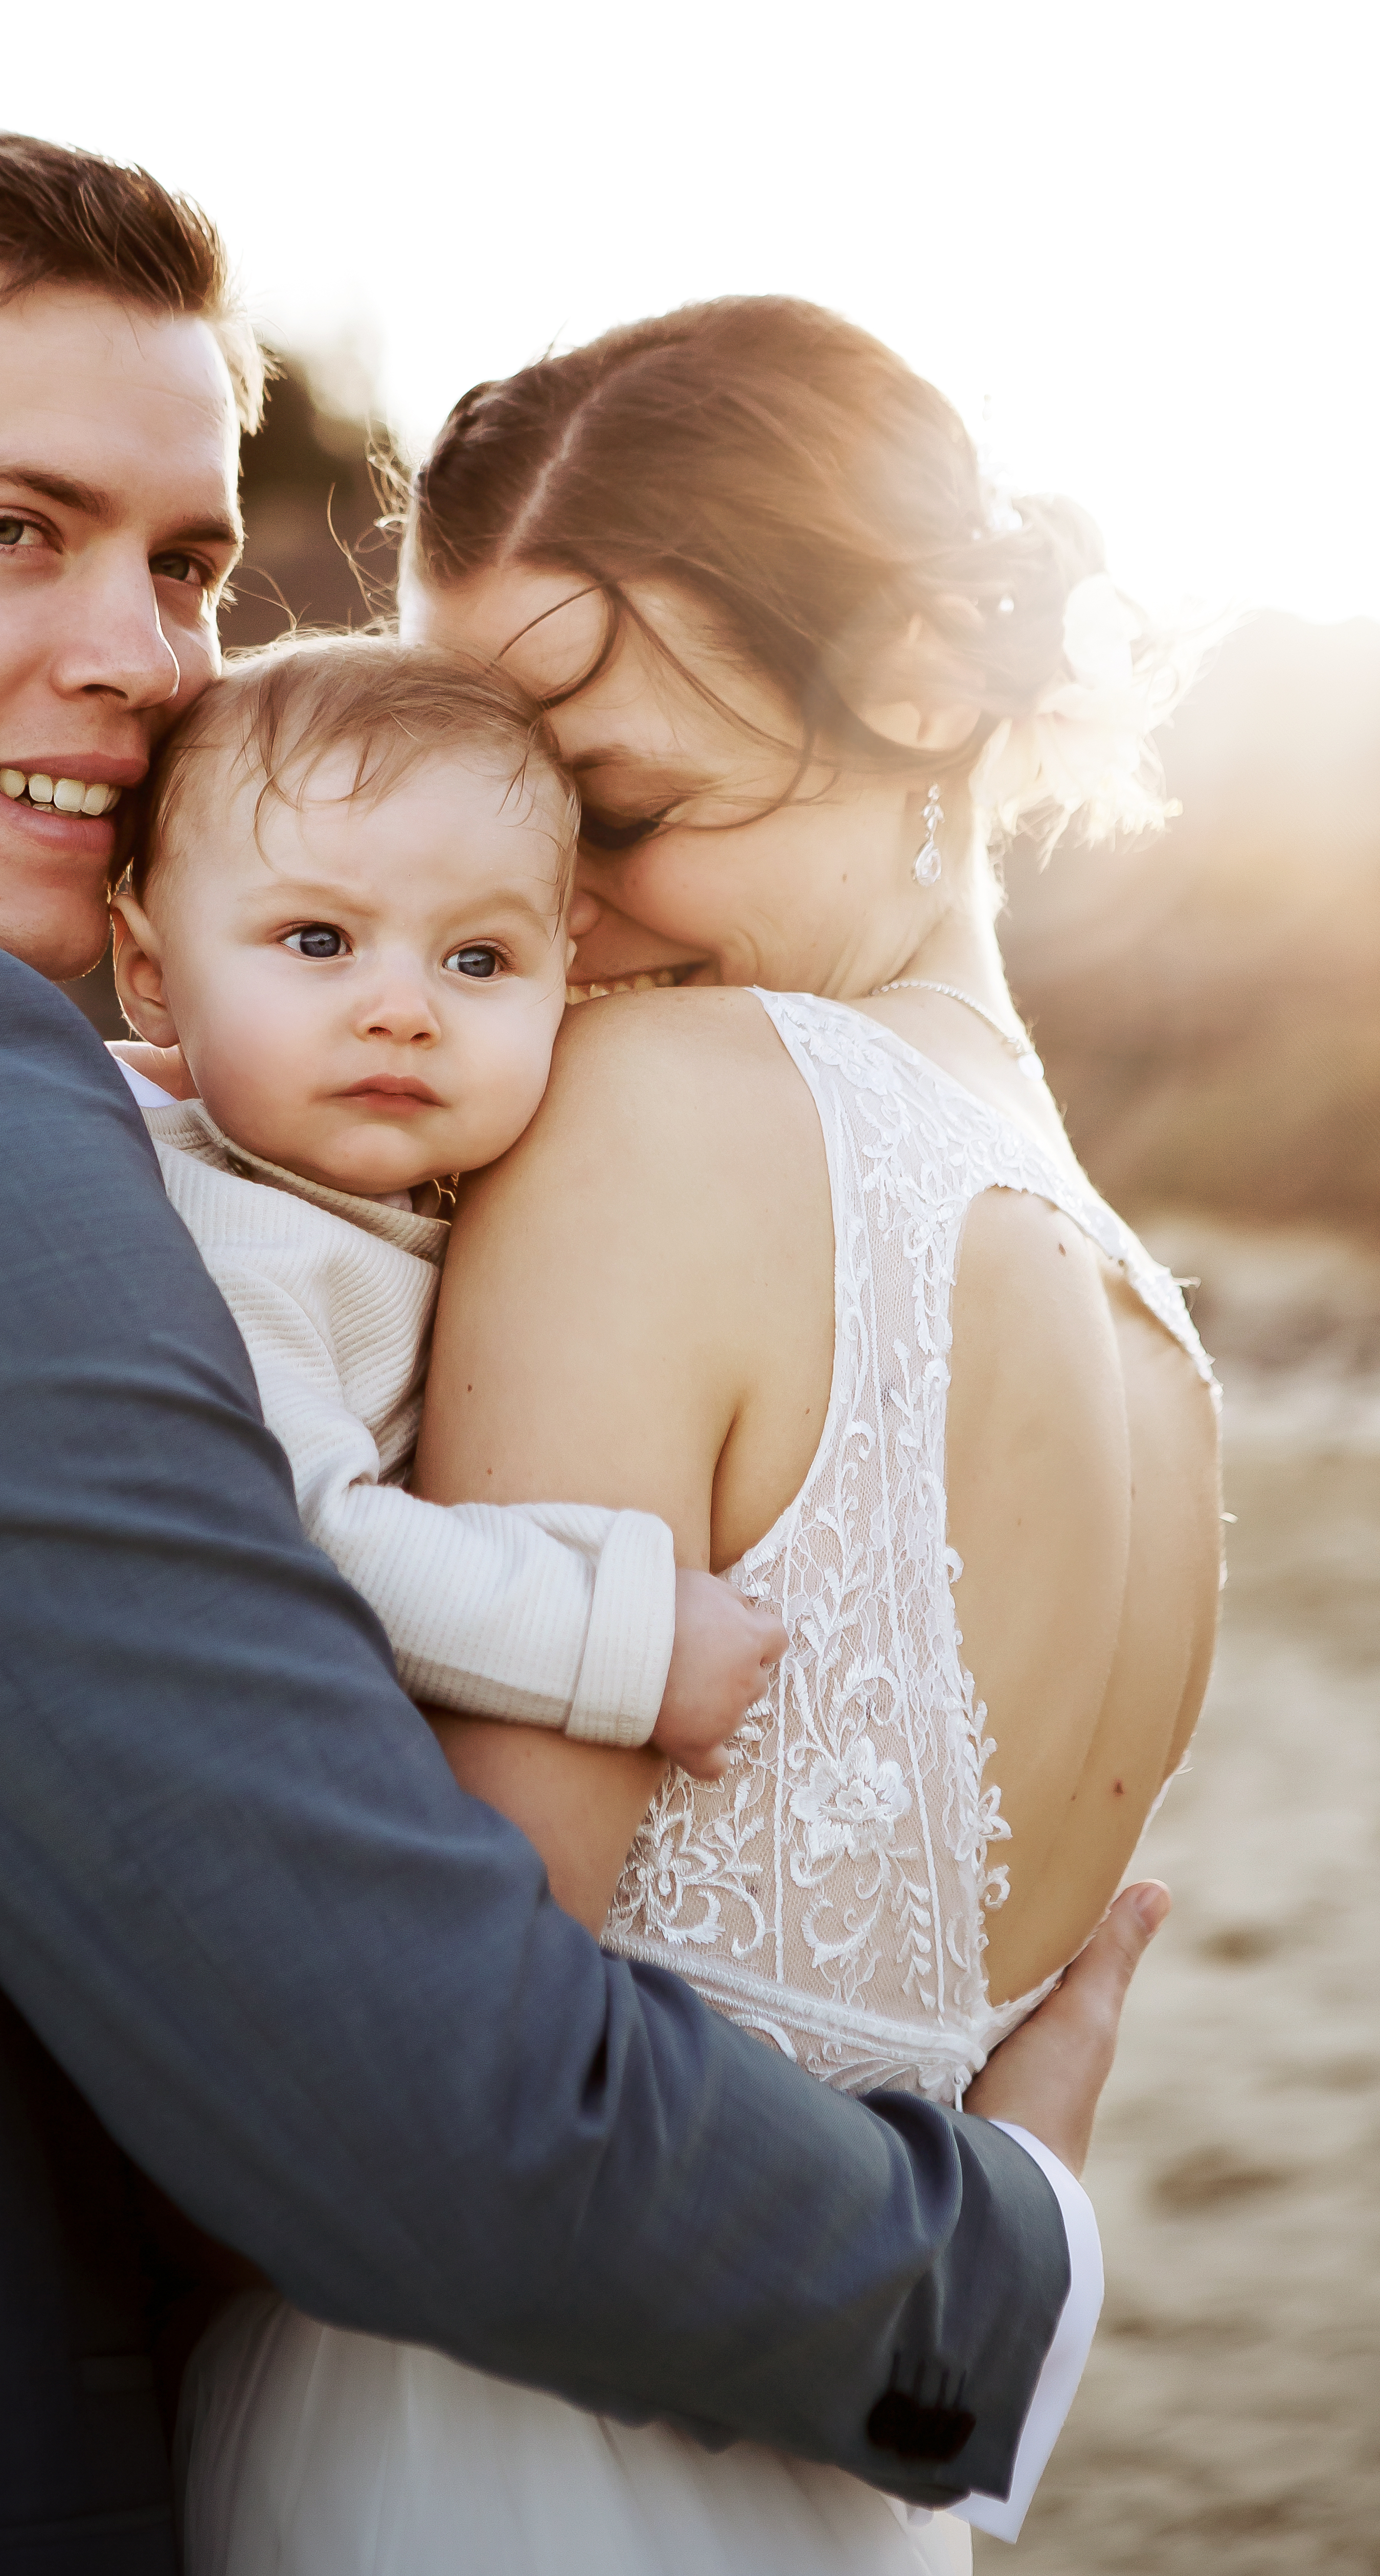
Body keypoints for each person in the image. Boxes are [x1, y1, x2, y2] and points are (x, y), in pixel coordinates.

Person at [0, 134, 1155, 2575]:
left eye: (187, 558)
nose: (147, 653)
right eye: (13, 526)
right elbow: (384, 2078)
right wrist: (998, 2255)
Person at [175, 294, 1216, 2574]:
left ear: (926, 676)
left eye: (610, 808)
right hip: (849, 2487)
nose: (543, 917)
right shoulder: (1138, 1308)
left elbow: (457, 2041)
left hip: (475, 2452)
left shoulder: (662, 1108)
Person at [106, 632, 786, 1783]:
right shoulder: (225, 1237)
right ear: (151, 975)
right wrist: (625, 1641)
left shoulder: (449, 1205)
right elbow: (309, 1541)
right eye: (317, 940)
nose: (404, 1009)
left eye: (477, 958)